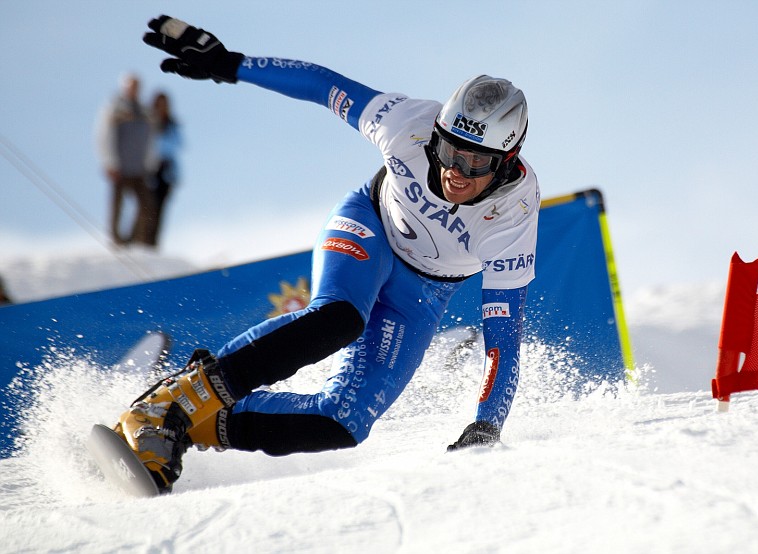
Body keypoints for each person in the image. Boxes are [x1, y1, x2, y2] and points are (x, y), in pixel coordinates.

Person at [114, 15, 541, 493]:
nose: (454, 172)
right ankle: (171, 402)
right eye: (447, 150)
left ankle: (180, 428)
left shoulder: (514, 215)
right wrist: (231, 64)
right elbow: (323, 86)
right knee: (338, 318)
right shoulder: (407, 124)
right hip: (370, 225)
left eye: (476, 162)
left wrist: (486, 424)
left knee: (344, 422)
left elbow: (503, 339)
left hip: (423, 292)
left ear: (506, 163)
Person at [96, 73, 158, 246]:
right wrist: (109, 162)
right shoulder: (113, 108)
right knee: (117, 205)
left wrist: (150, 162)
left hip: (139, 167)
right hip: (120, 166)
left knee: (145, 205)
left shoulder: (144, 111)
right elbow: (103, 136)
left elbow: (151, 138)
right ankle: (116, 240)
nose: (134, 90)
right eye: (131, 86)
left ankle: (136, 239)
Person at [149, 91, 183, 246]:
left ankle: (153, 243)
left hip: (166, 171)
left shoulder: (171, 124)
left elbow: (178, 144)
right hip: (150, 169)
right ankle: (142, 240)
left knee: (160, 208)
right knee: (148, 206)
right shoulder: (149, 122)